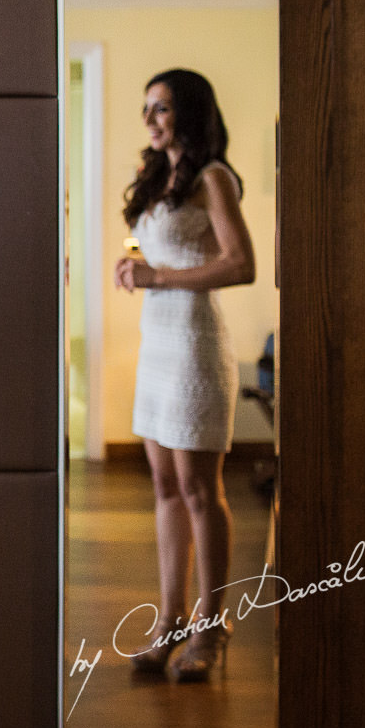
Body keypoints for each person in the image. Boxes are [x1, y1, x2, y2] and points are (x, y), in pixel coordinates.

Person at [114, 68, 255, 681]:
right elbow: (173, 253)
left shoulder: (212, 176)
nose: (150, 118)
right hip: (158, 346)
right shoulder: (161, 177)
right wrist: (138, 264)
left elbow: (240, 262)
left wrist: (158, 278)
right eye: (147, 107)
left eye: (163, 107)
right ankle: (169, 621)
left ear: (190, 113)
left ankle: (211, 626)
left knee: (201, 490)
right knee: (165, 488)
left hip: (197, 346)